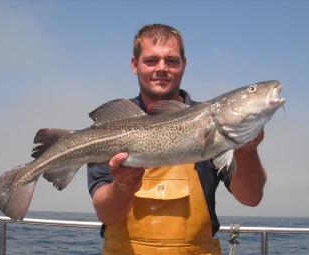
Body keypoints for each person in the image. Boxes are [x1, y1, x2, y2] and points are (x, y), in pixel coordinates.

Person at [87, 24, 266, 255]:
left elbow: (251, 198)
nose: (161, 68)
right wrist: (122, 185)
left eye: (171, 61)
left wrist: (246, 150)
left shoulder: (211, 125)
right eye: (151, 60)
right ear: (135, 65)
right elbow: (107, 214)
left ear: (184, 64)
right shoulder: (111, 129)